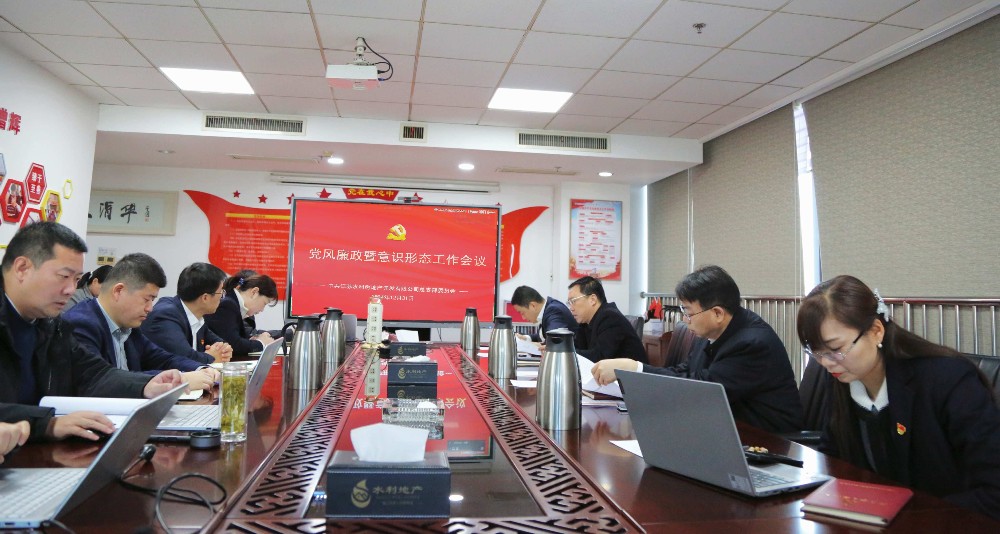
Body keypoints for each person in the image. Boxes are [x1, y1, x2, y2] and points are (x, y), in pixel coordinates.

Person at [797, 275, 1000, 519]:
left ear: (876, 331)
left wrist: (911, 519)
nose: (826, 363)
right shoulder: (844, 379)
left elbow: (993, 490)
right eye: (817, 352)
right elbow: (833, 462)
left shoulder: (948, 380)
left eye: (836, 349)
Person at [0, 222, 182, 443]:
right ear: (22, 268)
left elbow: (93, 373)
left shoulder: (51, 326)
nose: (70, 290)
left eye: (76, 279)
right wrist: (46, 423)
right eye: (63, 276)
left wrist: (146, 386)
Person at [592, 265, 802, 433]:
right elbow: (686, 371)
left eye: (689, 312)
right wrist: (636, 371)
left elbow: (703, 390)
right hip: (722, 428)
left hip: (769, 442)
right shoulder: (711, 331)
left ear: (717, 313)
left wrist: (635, 368)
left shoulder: (752, 344)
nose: (685, 320)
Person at [63, 253, 217, 391]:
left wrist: (201, 369)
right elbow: (101, 380)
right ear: (118, 291)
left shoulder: (128, 327)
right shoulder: (81, 324)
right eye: (146, 299)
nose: (150, 308)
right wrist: (179, 379)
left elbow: (162, 358)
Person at [141, 262, 233, 364]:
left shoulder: (196, 316)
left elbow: (218, 342)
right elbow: (185, 358)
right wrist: (212, 357)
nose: (222, 297)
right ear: (205, 298)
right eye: (221, 292)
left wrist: (224, 350)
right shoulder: (165, 315)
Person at [567, 276, 646, 363]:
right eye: (569, 303)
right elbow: (578, 348)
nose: (571, 308)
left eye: (573, 301)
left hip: (629, 372)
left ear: (592, 300)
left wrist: (566, 353)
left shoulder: (611, 318)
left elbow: (599, 358)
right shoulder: (585, 322)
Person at [204, 271, 277, 357]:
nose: (262, 310)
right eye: (264, 303)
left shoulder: (233, 303)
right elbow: (234, 345)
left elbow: (235, 338)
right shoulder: (228, 305)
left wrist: (252, 340)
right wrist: (261, 343)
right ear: (254, 292)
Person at [510, 285, 578, 344]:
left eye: (522, 313)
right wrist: (525, 338)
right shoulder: (547, 309)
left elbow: (554, 342)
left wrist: (529, 345)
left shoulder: (554, 310)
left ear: (533, 305)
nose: (523, 318)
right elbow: (543, 336)